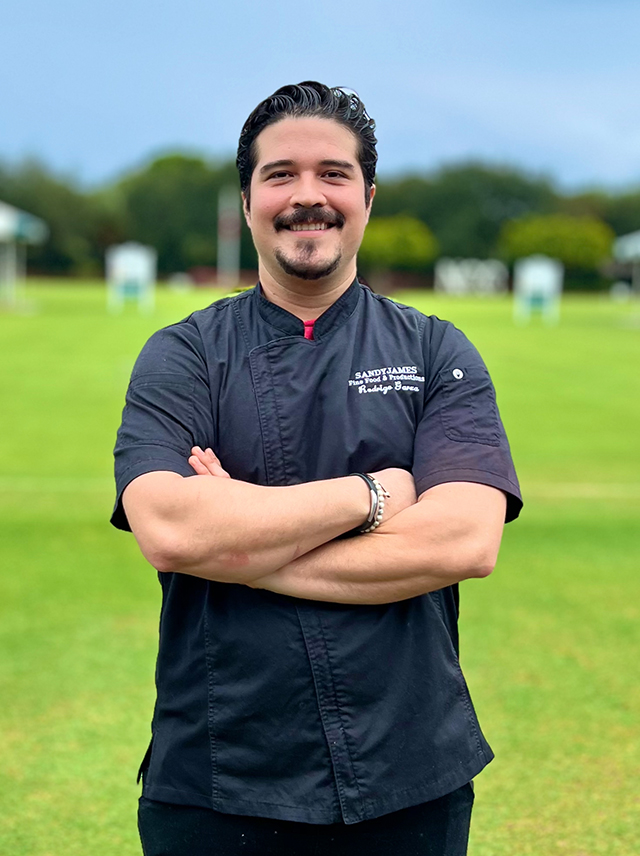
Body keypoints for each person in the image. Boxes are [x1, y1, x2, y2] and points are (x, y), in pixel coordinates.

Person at [111, 81, 522, 856]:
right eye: (280, 175)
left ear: (367, 195)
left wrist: (237, 547)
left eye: (333, 174)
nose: (309, 197)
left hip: (411, 773)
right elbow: (168, 527)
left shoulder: (437, 352)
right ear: (247, 202)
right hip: (218, 775)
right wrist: (375, 495)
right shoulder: (184, 355)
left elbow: (464, 543)